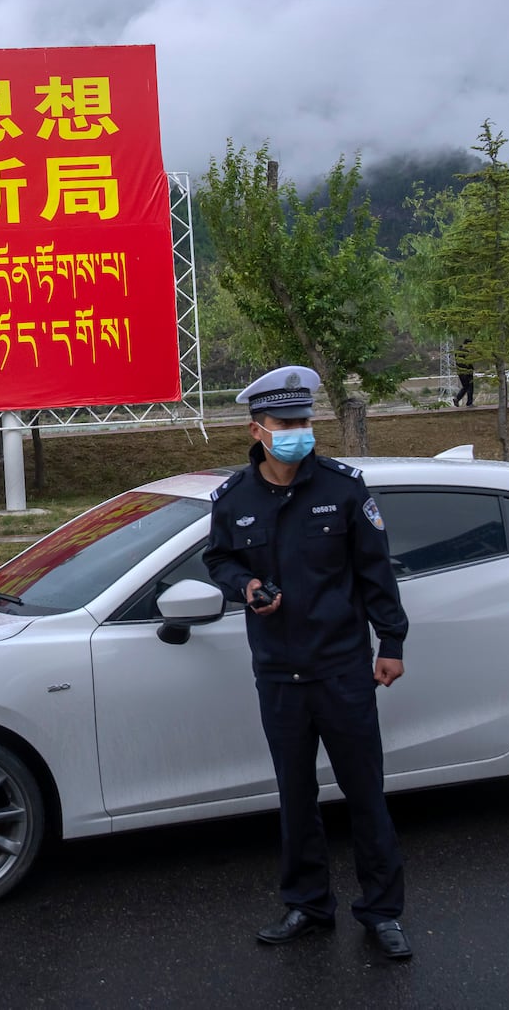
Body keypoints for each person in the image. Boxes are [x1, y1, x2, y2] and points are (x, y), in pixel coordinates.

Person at [203, 365, 414, 961]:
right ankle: (308, 904)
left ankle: (382, 911)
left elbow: (376, 574)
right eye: (287, 423)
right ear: (258, 429)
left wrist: (391, 643)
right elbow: (217, 561)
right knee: (296, 798)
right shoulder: (233, 499)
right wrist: (244, 587)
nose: (300, 431)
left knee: (365, 795)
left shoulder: (344, 490)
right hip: (278, 672)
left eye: (305, 421)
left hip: (343, 670)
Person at [453, 340, 475, 407]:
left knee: (465, 387)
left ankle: (457, 399)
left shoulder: (457, 351)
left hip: (460, 372)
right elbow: (468, 362)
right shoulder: (465, 352)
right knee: (470, 387)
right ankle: (469, 403)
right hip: (467, 372)